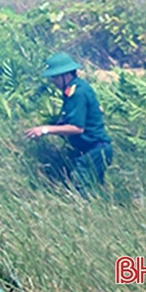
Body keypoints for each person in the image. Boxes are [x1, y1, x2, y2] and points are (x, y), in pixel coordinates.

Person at [24, 52, 113, 192]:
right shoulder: (76, 88)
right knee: (94, 191)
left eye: (55, 77)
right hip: (90, 150)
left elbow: (77, 128)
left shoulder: (77, 92)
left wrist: (45, 129)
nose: (52, 81)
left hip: (94, 150)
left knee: (83, 191)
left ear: (66, 75)